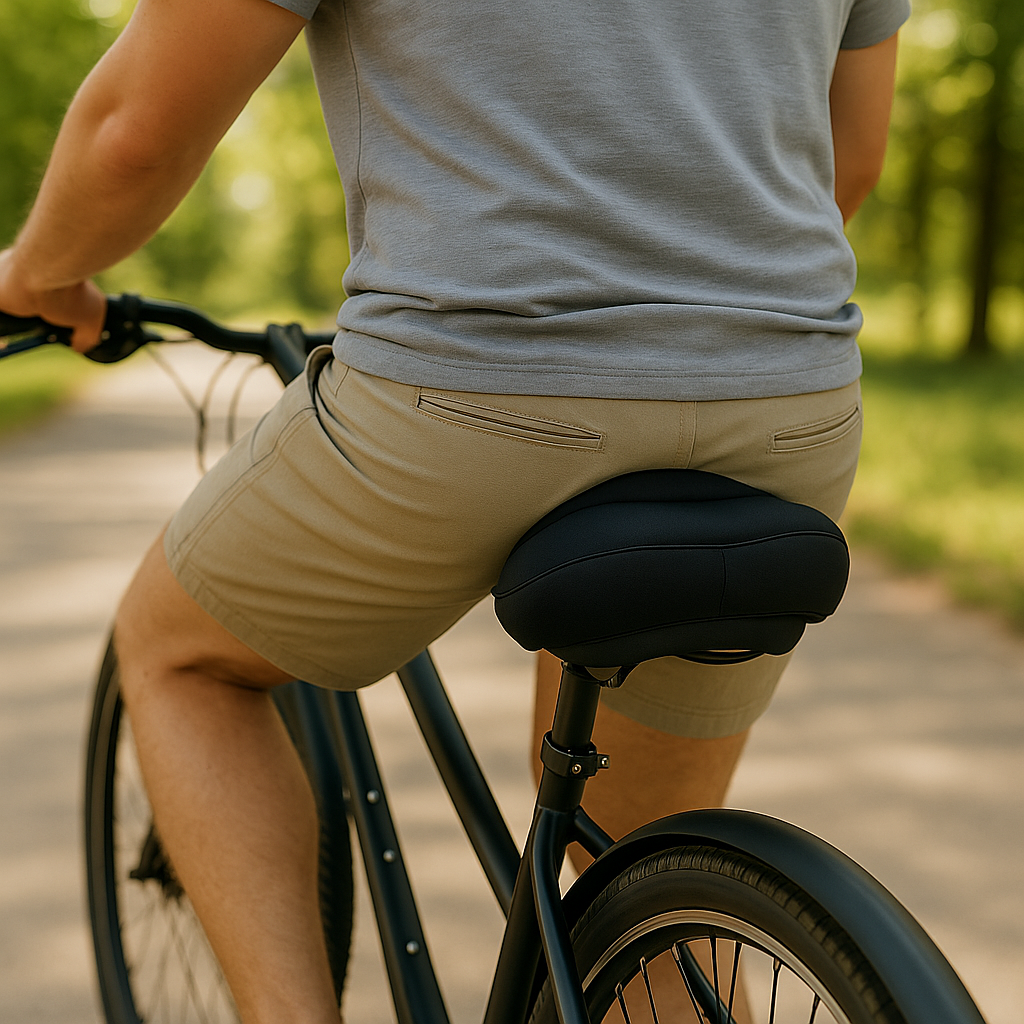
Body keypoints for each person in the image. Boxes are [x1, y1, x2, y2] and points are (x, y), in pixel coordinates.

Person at [0, 0, 909, 1020]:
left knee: (178, 655)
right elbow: (853, 158)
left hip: (474, 388)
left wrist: (40, 275)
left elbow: (136, 132)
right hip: (784, 406)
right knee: (636, 858)